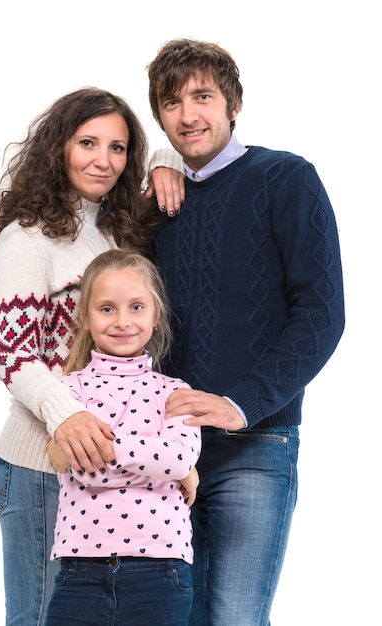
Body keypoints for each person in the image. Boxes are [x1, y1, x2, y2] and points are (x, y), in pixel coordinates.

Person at [147, 38, 345, 626]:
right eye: (171, 103)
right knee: (163, 616)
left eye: (202, 96)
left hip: (255, 448)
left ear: (233, 104)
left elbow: (322, 313)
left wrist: (244, 403)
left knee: (233, 617)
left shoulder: (285, 177)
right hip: (162, 450)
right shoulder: (154, 202)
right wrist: (160, 159)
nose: (187, 115)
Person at [0, 87, 184, 626]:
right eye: (87, 143)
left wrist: (165, 160)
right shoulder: (27, 236)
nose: (104, 160)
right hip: (39, 463)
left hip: (112, 464)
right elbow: (13, 353)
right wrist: (65, 414)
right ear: (58, 148)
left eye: (118, 148)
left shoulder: (117, 226)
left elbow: (181, 150)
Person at [43, 248, 201, 626]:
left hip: (161, 569)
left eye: (136, 307)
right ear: (84, 317)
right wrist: (157, 463)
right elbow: (84, 472)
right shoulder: (67, 391)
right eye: (107, 308)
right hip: (80, 570)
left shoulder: (176, 391)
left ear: (155, 313)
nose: (122, 321)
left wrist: (105, 447)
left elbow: (179, 458)